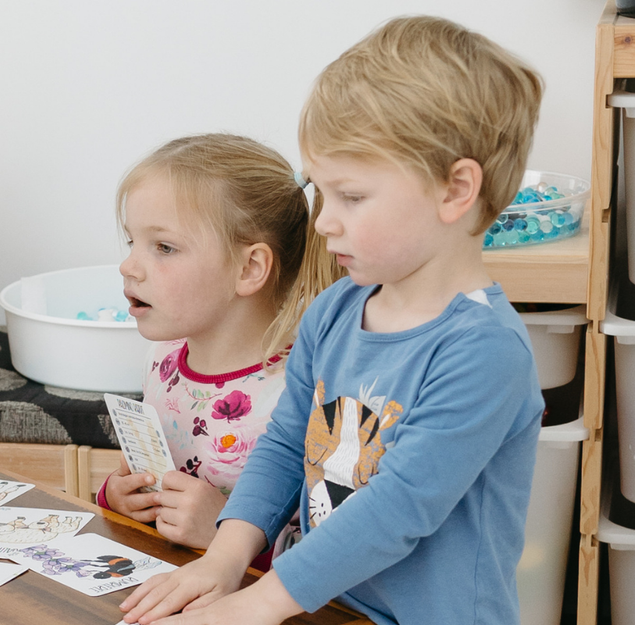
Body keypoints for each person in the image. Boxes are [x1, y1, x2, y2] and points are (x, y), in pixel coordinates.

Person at [121, 16, 544, 625]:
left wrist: (255, 605)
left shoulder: (484, 351)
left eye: (352, 196)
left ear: (455, 190)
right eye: (322, 192)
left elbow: (398, 509)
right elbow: (285, 445)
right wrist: (224, 557)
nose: (323, 222)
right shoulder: (335, 312)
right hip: (324, 604)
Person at [98, 134, 341, 561]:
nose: (128, 266)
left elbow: (333, 557)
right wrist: (118, 496)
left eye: (164, 247)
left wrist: (224, 535)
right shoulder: (163, 358)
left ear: (249, 268)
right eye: (132, 242)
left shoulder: (301, 390)